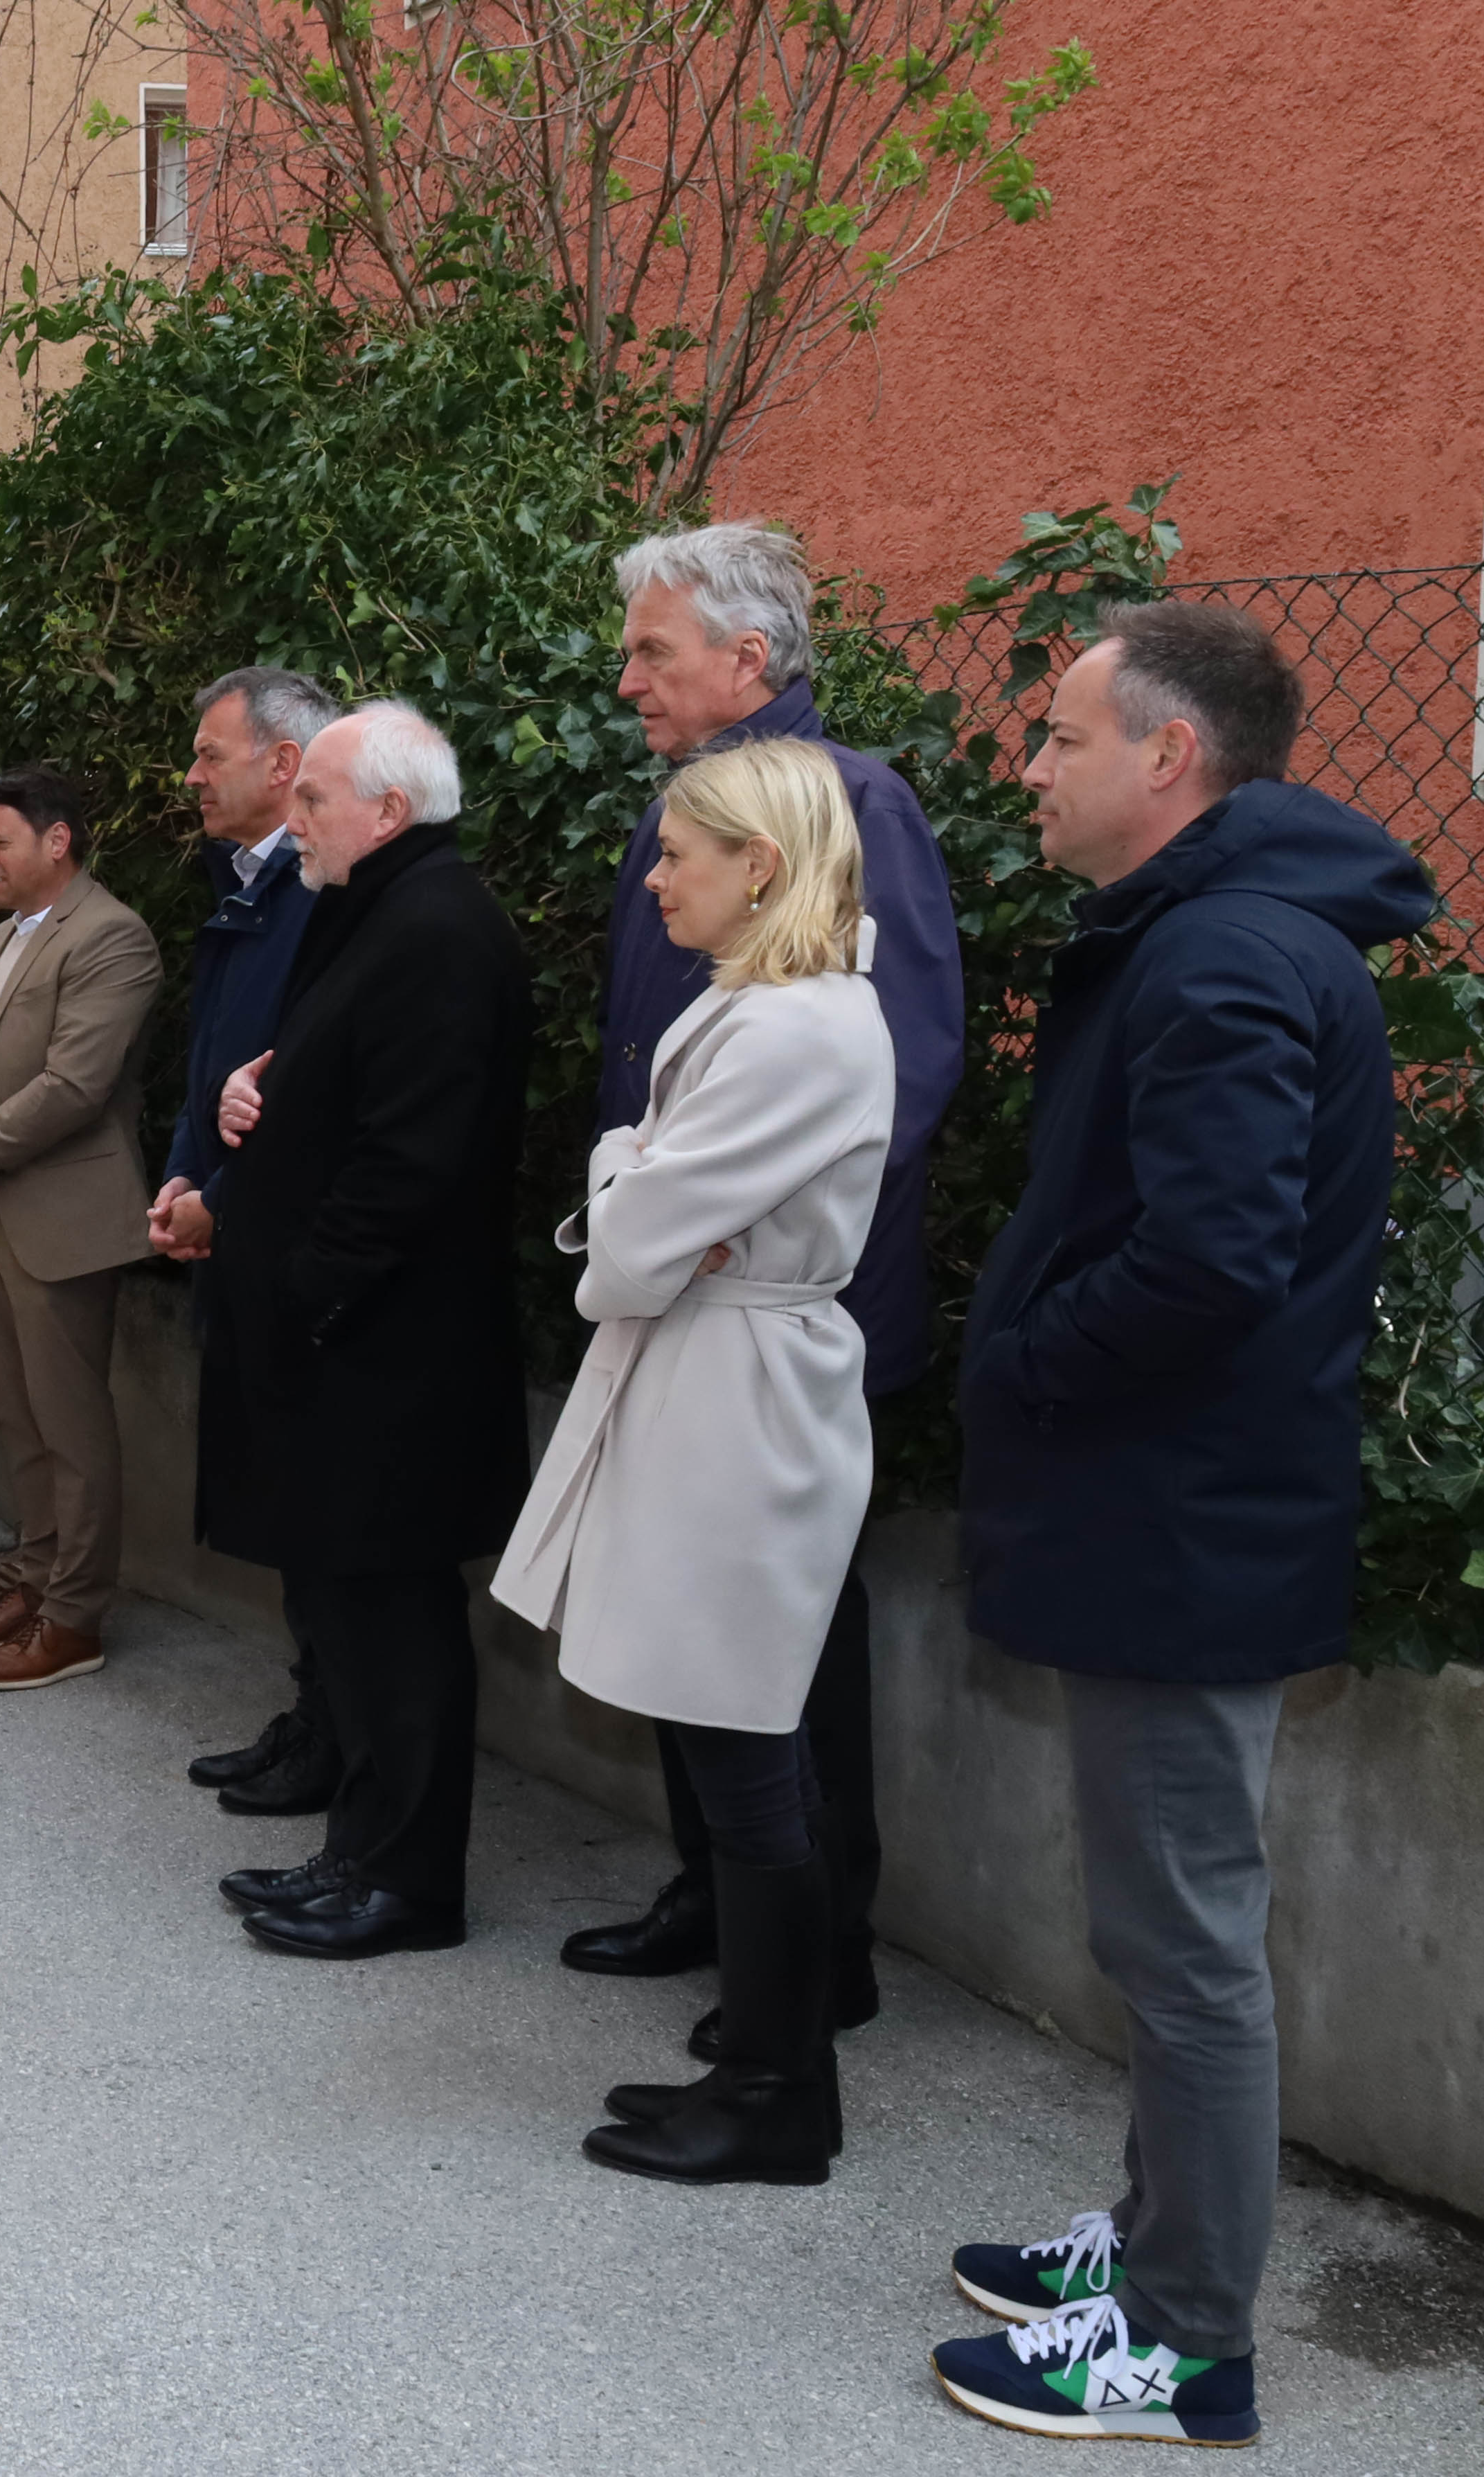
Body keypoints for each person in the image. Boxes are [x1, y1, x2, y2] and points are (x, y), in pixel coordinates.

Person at [927, 605, 1431, 2449]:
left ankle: (1188, 2342)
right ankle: (1149, 2250)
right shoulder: (1207, 937)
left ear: (1169, 758)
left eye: (1058, 735)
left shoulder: (1219, 956)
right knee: (1163, 1933)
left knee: (1184, 1944)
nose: (1030, 765)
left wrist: (1024, 1363)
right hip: (1174, 1513)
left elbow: (1205, 1263)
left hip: (1176, 1522)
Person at [563, 522, 965, 2053]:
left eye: (654, 651)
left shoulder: (849, 806)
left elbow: (906, 1064)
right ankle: (718, 1897)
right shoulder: (702, 808)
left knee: (783, 1636)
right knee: (693, 1617)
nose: (629, 679)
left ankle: (819, 1942)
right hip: (689, 1284)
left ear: (751, 658)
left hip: (784, 1316)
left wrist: (768, 1220)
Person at [489, 739, 894, 2185]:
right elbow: (644, 1211)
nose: (655, 878)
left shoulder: (795, 1031)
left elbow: (636, 1248)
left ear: (760, 868)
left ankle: (782, 2092)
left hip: (741, 1398)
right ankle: (760, 2065)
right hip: (714, 1380)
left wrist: (630, 1187)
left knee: (745, 1745)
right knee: (736, 1745)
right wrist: (637, 1185)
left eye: (678, 855)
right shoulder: (770, 1014)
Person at [197, 701, 530, 1960]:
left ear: (386, 810)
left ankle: (406, 1882)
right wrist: (259, 1089)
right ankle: (358, 1853)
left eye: (314, 801)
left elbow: (410, 1159)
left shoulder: (437, 927)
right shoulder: (383, 908)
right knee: (348, 1613)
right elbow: (333, 1080)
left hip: (386, 1353)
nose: (294, 821)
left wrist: (303, 1294)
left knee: (394, 1624)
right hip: (350, 1343)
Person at [0, 766, 162, 1689]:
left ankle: (76, 1618)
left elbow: (75, 1085)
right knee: (17, 1421)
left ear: (56, 842)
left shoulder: (112, 938)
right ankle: (34, 1579)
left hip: (60, 1219)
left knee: (71, 1427)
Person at [156, 666, 343, 1811]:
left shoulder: (319, 899)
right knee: (280, 1503)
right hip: (226, 1221)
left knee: (315, 1512)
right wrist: (182, 1172)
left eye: (206, 754)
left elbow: (293, 1082)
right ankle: (310, 1708)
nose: (189, 776)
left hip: (281, 1245)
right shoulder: (241, 884)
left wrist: (215, 1198)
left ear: (284, 765)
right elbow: (208, 1064)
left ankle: (333, 1731)